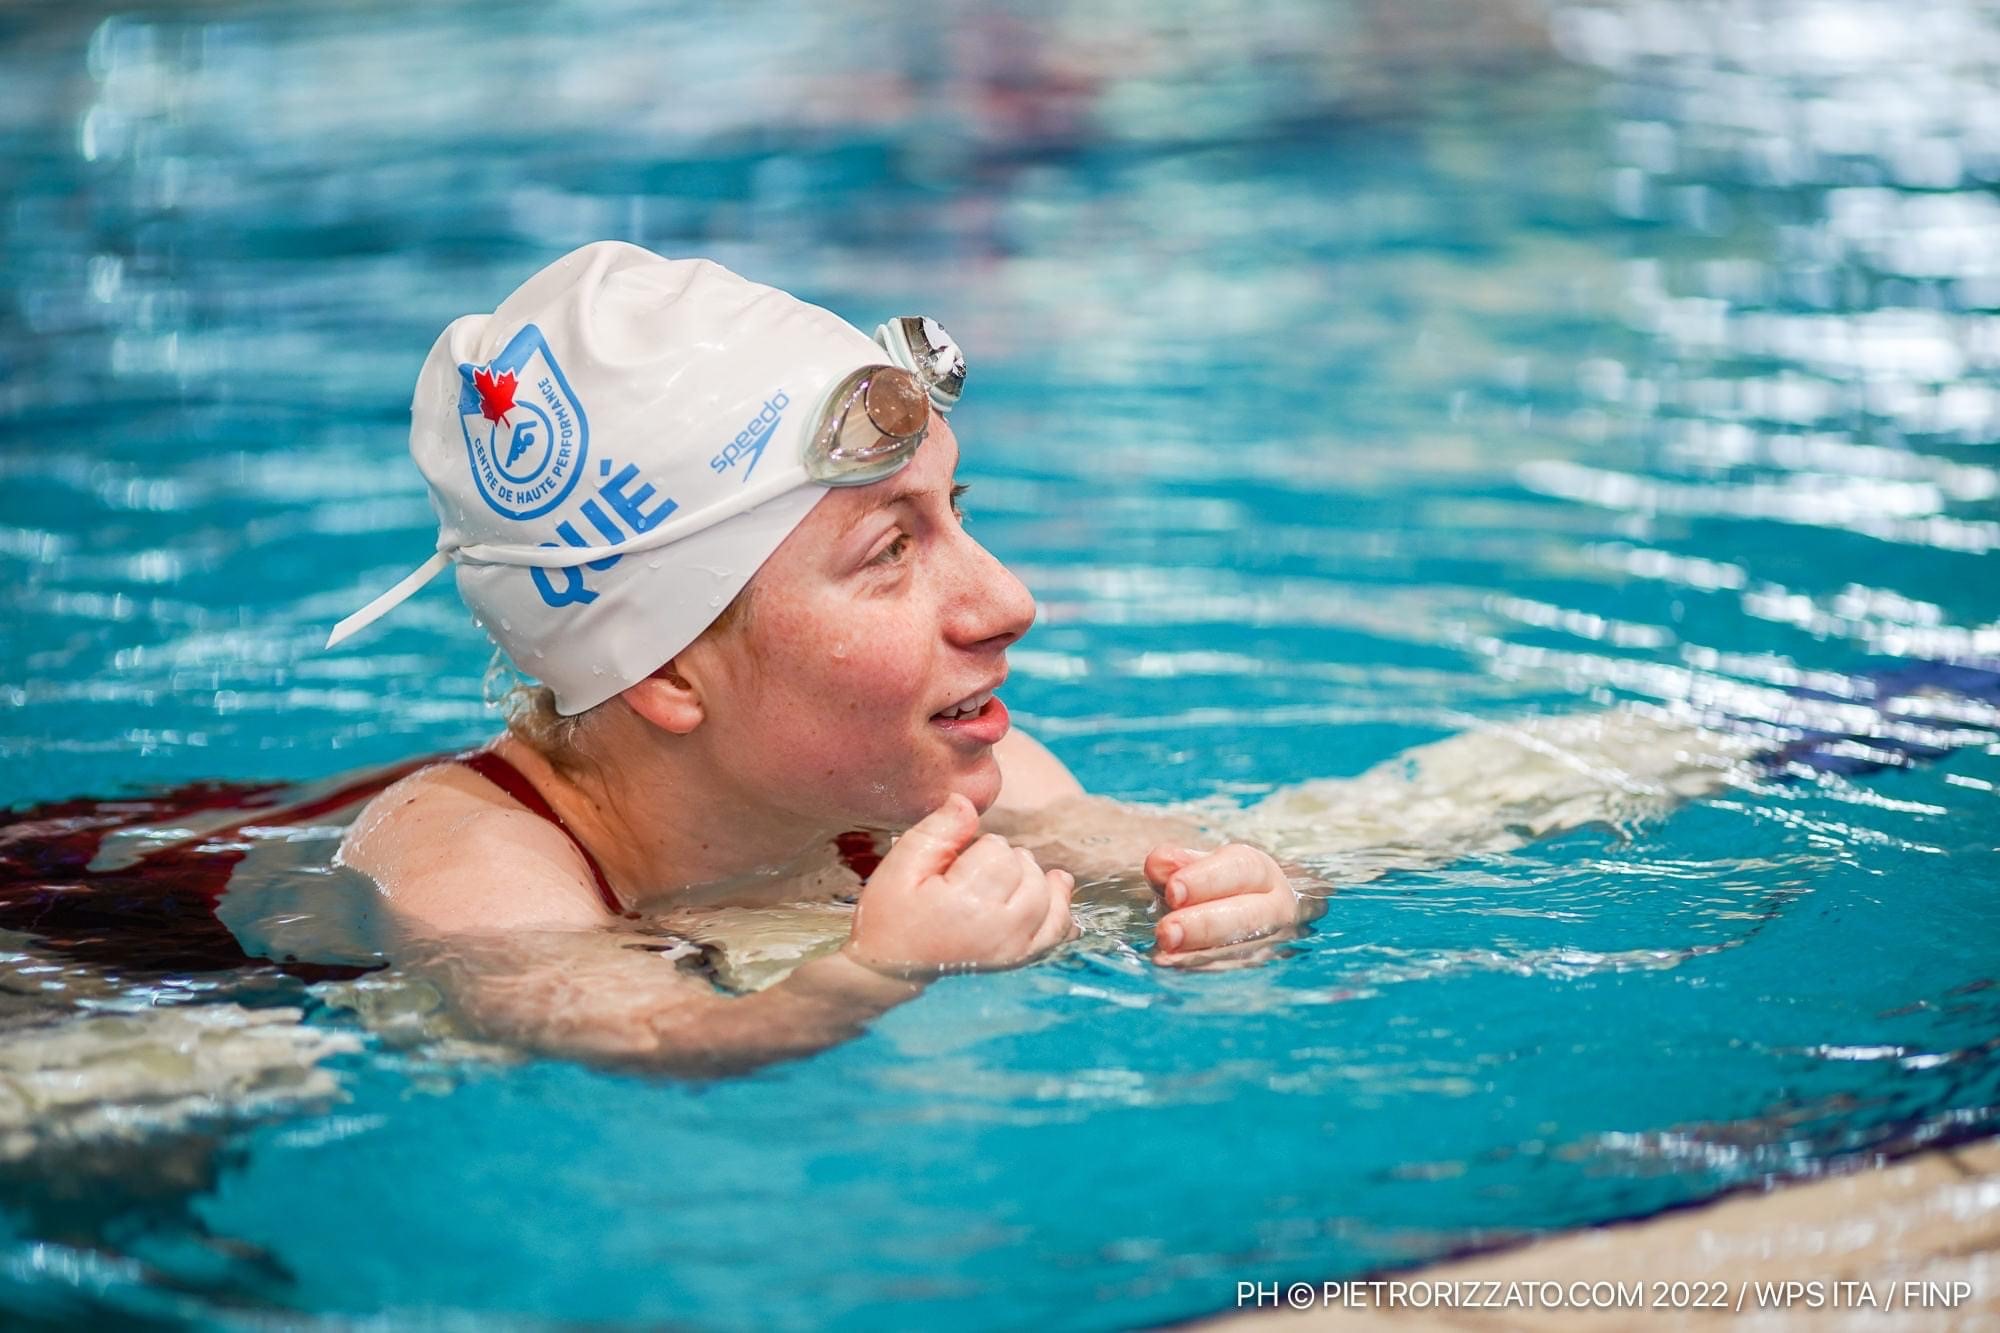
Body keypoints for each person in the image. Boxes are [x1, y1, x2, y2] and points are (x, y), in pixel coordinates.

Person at [320, 241, 1320, 1074]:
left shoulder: (926, 770)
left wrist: (1249, 894)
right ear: (666, 670)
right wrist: (873, 972)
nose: (1008, 603)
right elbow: (659, 1040)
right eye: (891, 550)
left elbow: (1203, 860)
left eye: (954, 513)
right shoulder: (472, 868)